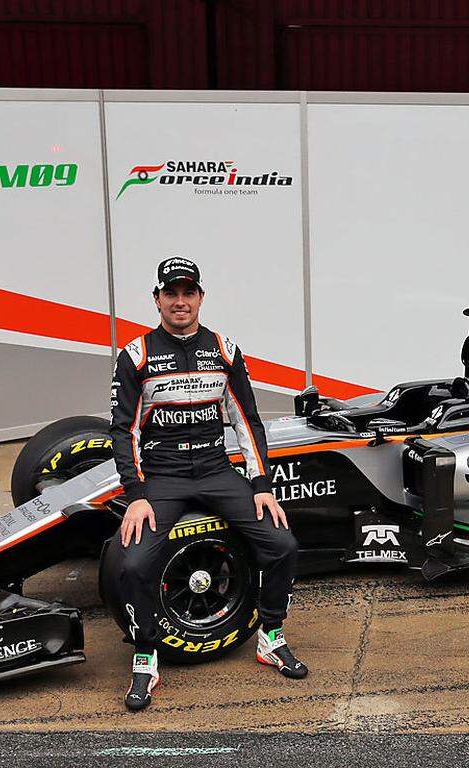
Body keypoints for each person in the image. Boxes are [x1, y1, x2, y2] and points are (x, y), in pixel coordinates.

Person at [109, 256, 307, 712]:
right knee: (134, 563)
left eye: (188, 293)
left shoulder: (224, 349)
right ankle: (146, 654)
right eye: (171, 294)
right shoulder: (136, 354)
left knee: (283, 544)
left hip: (217, 470)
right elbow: (124, 431)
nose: (180, 302)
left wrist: (260, 483)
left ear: (200, 297)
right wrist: (136, 496)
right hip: (163, 476)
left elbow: (245, 420)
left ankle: (270, 637)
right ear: (157, 299)